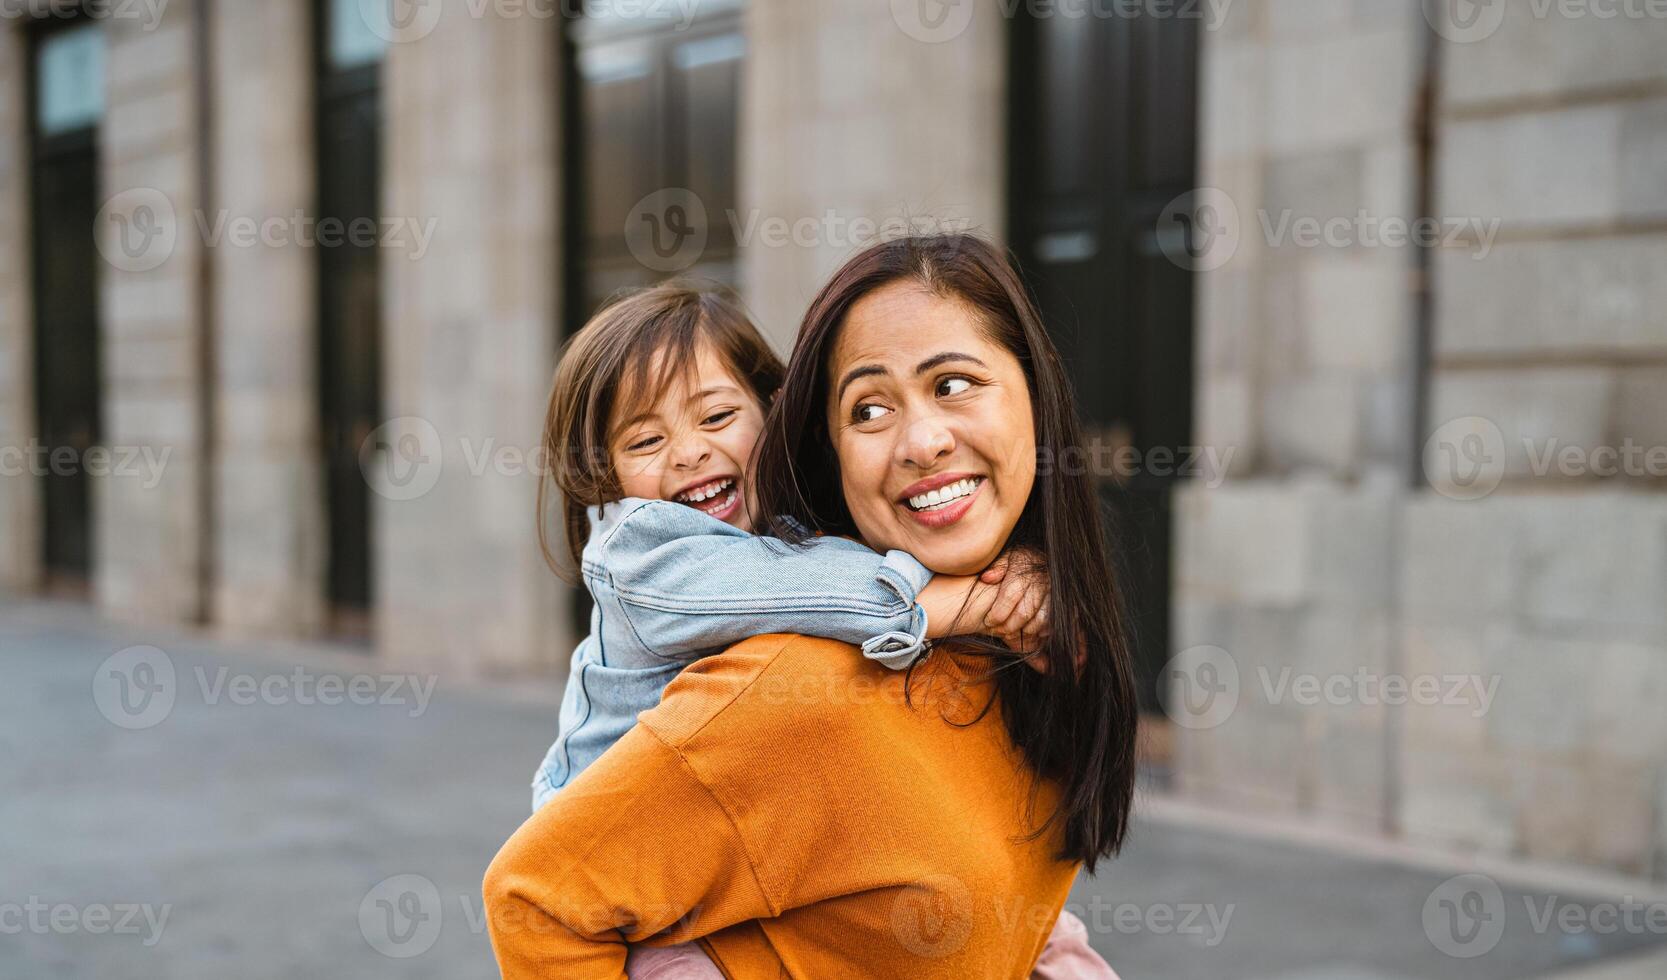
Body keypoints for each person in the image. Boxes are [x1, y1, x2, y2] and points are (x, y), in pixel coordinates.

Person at [487, 237, 1138, 977]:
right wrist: (963, 603)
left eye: (954, 384)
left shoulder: (1005, 641)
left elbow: (1002, 907)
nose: (689, 453)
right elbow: (535, 897)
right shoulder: (669, 571)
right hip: (635, 882)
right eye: (868, 407)